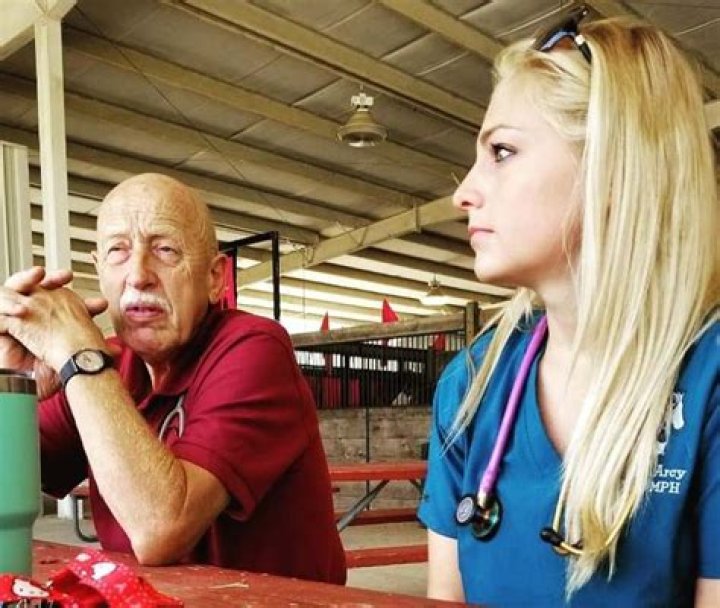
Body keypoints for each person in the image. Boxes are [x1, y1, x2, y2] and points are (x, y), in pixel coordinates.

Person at [418, 7, 718, 607]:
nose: (463, 194)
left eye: (502, 151)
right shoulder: (471, 383)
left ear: (612, 165)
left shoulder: (708, 380)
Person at [0, 173, 346, 584]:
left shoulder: (253, 346)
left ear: (214, 278)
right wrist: (10, 383)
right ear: (99, 271)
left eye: (165, 249)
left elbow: (160, 528)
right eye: (118, 251)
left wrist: (79, 357)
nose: (138, 275)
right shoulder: (104, 364)